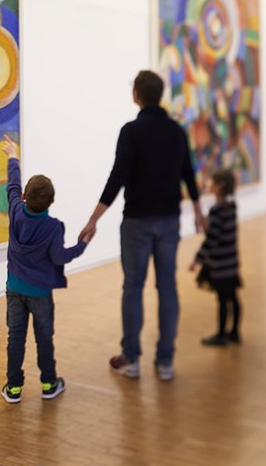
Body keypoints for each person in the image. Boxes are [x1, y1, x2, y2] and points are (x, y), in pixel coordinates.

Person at [81, 70, 205, 382]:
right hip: (168, 220)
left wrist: (94, 218)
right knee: (168, 288)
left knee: (133, 287)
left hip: (137, 222)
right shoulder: (176, 131)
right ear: (159, 94)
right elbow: (188, 173)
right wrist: (199, 211)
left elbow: (117, 176)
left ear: (137, 94)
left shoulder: (131, 131)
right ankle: (165, 362)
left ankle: (132, 359)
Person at [0, 138, 88, 404]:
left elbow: (12, 184)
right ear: (52, 202)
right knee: (44, 338)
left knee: (15, 338)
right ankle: (49, 383)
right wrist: (81, 246)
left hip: (14, 289)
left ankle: (13, 387)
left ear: (24, 196)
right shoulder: (53, 227)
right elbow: (60, 257)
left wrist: (13, 156)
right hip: (40, 294)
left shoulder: (16, 211)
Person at [189, 169, 241, 346]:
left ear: (219, 187)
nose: (209, 185)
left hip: (220, 265)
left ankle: (221, 335)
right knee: (233, 298)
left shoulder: (217, 210)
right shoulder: (231, 207)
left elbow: (212, 239)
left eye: (212, 182)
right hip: (231, 263)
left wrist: (197, 259)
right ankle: (234, 332)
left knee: (222, 299)